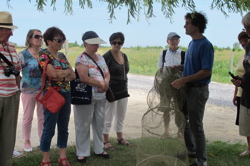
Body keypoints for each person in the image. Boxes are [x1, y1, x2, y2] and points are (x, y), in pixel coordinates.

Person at [171, 11, 214, 166]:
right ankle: (191, 150)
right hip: (187, 89)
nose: (185, 26)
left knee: (196, 125)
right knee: (180, 119)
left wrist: (183, 80)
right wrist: (180, 67)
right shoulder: (191, 43)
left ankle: (202, 161)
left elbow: (206, 71)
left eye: (188, 23)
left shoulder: (205, 45)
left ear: (197, 26)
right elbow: (192, 66)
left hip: (198, 90)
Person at [38, 27, 75, 166]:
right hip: (52, 94)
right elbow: (52, 74)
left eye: (62, 39)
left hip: (66, 93)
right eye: (58, 40)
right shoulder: (43, 55)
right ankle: (45, 159)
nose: (61, 42)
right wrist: (64, 73)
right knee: (49, 127)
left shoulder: (63, 57)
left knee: (64, 126)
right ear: (48, 41)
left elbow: (74, 75)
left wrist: (62, 75)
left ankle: (62, 157)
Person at [73, 31, 110, 163]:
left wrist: (105, 84)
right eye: (94, 43)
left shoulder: (101, 58)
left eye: (98, 43)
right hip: (85, 97)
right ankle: (82, 152)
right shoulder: (81, 59)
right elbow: (83, 77)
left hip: (101, 96)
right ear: (86, 43)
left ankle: (99, 149)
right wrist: (100, 84)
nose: (97, 46)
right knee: (83, 124)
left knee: (99, 124)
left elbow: (107, 73)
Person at [102, 32, 131, 151]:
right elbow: (102, 73)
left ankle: (120, 138)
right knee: (108, 116)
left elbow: (126, 71)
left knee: (121, 115)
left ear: (122, 43)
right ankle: (106, 141)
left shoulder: (124, 56)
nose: (116, 45)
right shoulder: (106, 56)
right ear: (110, 43)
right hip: (111, 91)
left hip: (123, 90)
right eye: (114, 42)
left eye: (119, 43)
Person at [0, 11, 21, 166]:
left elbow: (17, 70)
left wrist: (18, 89)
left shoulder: (12, 48)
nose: (11, 34)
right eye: (9, 30)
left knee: (8, 135)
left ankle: (6, 162)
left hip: (12, 95)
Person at [19, 29, 44, 152]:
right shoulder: (23, 55)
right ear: (29, 39)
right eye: (37, 36)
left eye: (41, 36)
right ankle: (27, 140)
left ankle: (42, 139)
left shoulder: (44, 54)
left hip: (43, 90)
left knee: (42, 117)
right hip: (27, 91)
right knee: (28, 117)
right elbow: (16, 72)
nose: (40, 38)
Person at [157, 32, 185, 137]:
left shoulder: (183, 54)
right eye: (171, 40)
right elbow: (160, 68)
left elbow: (186, 69)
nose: (174, 42)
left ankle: (180, 132)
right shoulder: (163, 54)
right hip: (165, 84)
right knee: (165, 108)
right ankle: (166, 131)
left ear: (179, 41)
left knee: (179, 108)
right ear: (167, 41)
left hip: (179, 84)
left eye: (176, 39)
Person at [231, 11, 250, 157]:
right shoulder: (248, 50)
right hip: (246, 93)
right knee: (246, 125)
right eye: (246, 29)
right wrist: (241, 80)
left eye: (249, 28)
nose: (248, 33)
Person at [232, 31, 249, 126]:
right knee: (244, 125)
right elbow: (238, 75)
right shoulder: (241, 57)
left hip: (248, 93)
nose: (243, 43)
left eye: (245, 40)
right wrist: (235, 94)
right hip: (240, 94)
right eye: (241, 41)